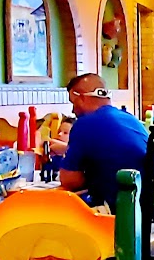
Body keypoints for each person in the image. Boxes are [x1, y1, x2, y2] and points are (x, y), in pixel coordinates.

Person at [58, 73, 148, 208]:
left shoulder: (84, 123)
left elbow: (69, 181)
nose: (73, 110)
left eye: (73, 103)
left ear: (81, 98)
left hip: (119, 209)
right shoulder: (130, 118)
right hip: (146, 204)